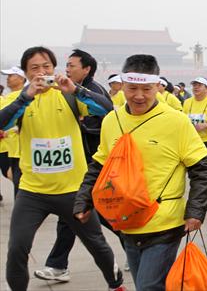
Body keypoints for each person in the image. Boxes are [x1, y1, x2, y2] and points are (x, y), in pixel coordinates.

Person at [73, 54, 207, 291]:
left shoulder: (176, 121)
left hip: (163, 221)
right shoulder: (111, 120)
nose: (139, 96)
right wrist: (83, 200)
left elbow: (202, 167)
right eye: (132, 88)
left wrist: (196, 210)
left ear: (158, 86)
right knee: (144, 285)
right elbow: (99, 166)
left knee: (149, 286)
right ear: (123, 86)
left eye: (146, 89)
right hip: (126, 220)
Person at [0, 46, 124, 291]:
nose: (41, 72)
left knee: (96, 243)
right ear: (25, 72)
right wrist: (27, 96)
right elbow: (3, 122)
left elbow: (107, 110)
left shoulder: (69, 94)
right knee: (17, 248)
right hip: (32, 192)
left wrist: (76, 90)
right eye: (34, 68)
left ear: (54, 68)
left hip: (73, 190)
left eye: (46, 66)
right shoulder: (19, 98)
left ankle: (116, 284)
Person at [34, 49, 125, 283]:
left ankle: (137, 244)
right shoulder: (63, 90)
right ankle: (58, 264)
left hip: (94, 165)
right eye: (66, 65)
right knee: (75, 216)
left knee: (93, 215)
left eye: (72, 65)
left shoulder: (91, 92)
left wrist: (80, 126)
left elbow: (105, 118)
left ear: (86, 69)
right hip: (82, 167)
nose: (67, 69)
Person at [183, 76, 207, 207]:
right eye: (194, 85)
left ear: (206, 88)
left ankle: (206, 198)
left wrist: (204, 126)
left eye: (199, 85)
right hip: (192, 142)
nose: (196, 87)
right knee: (194, 172)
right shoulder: (187, 102)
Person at [0, 66, 26, 196]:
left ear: (21, 78)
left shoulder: (23, 96)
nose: (8, 79)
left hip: (18, 149)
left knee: (18, 181)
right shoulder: (8, 97)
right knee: (11, 175)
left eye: (11, 76)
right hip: (9, 147)